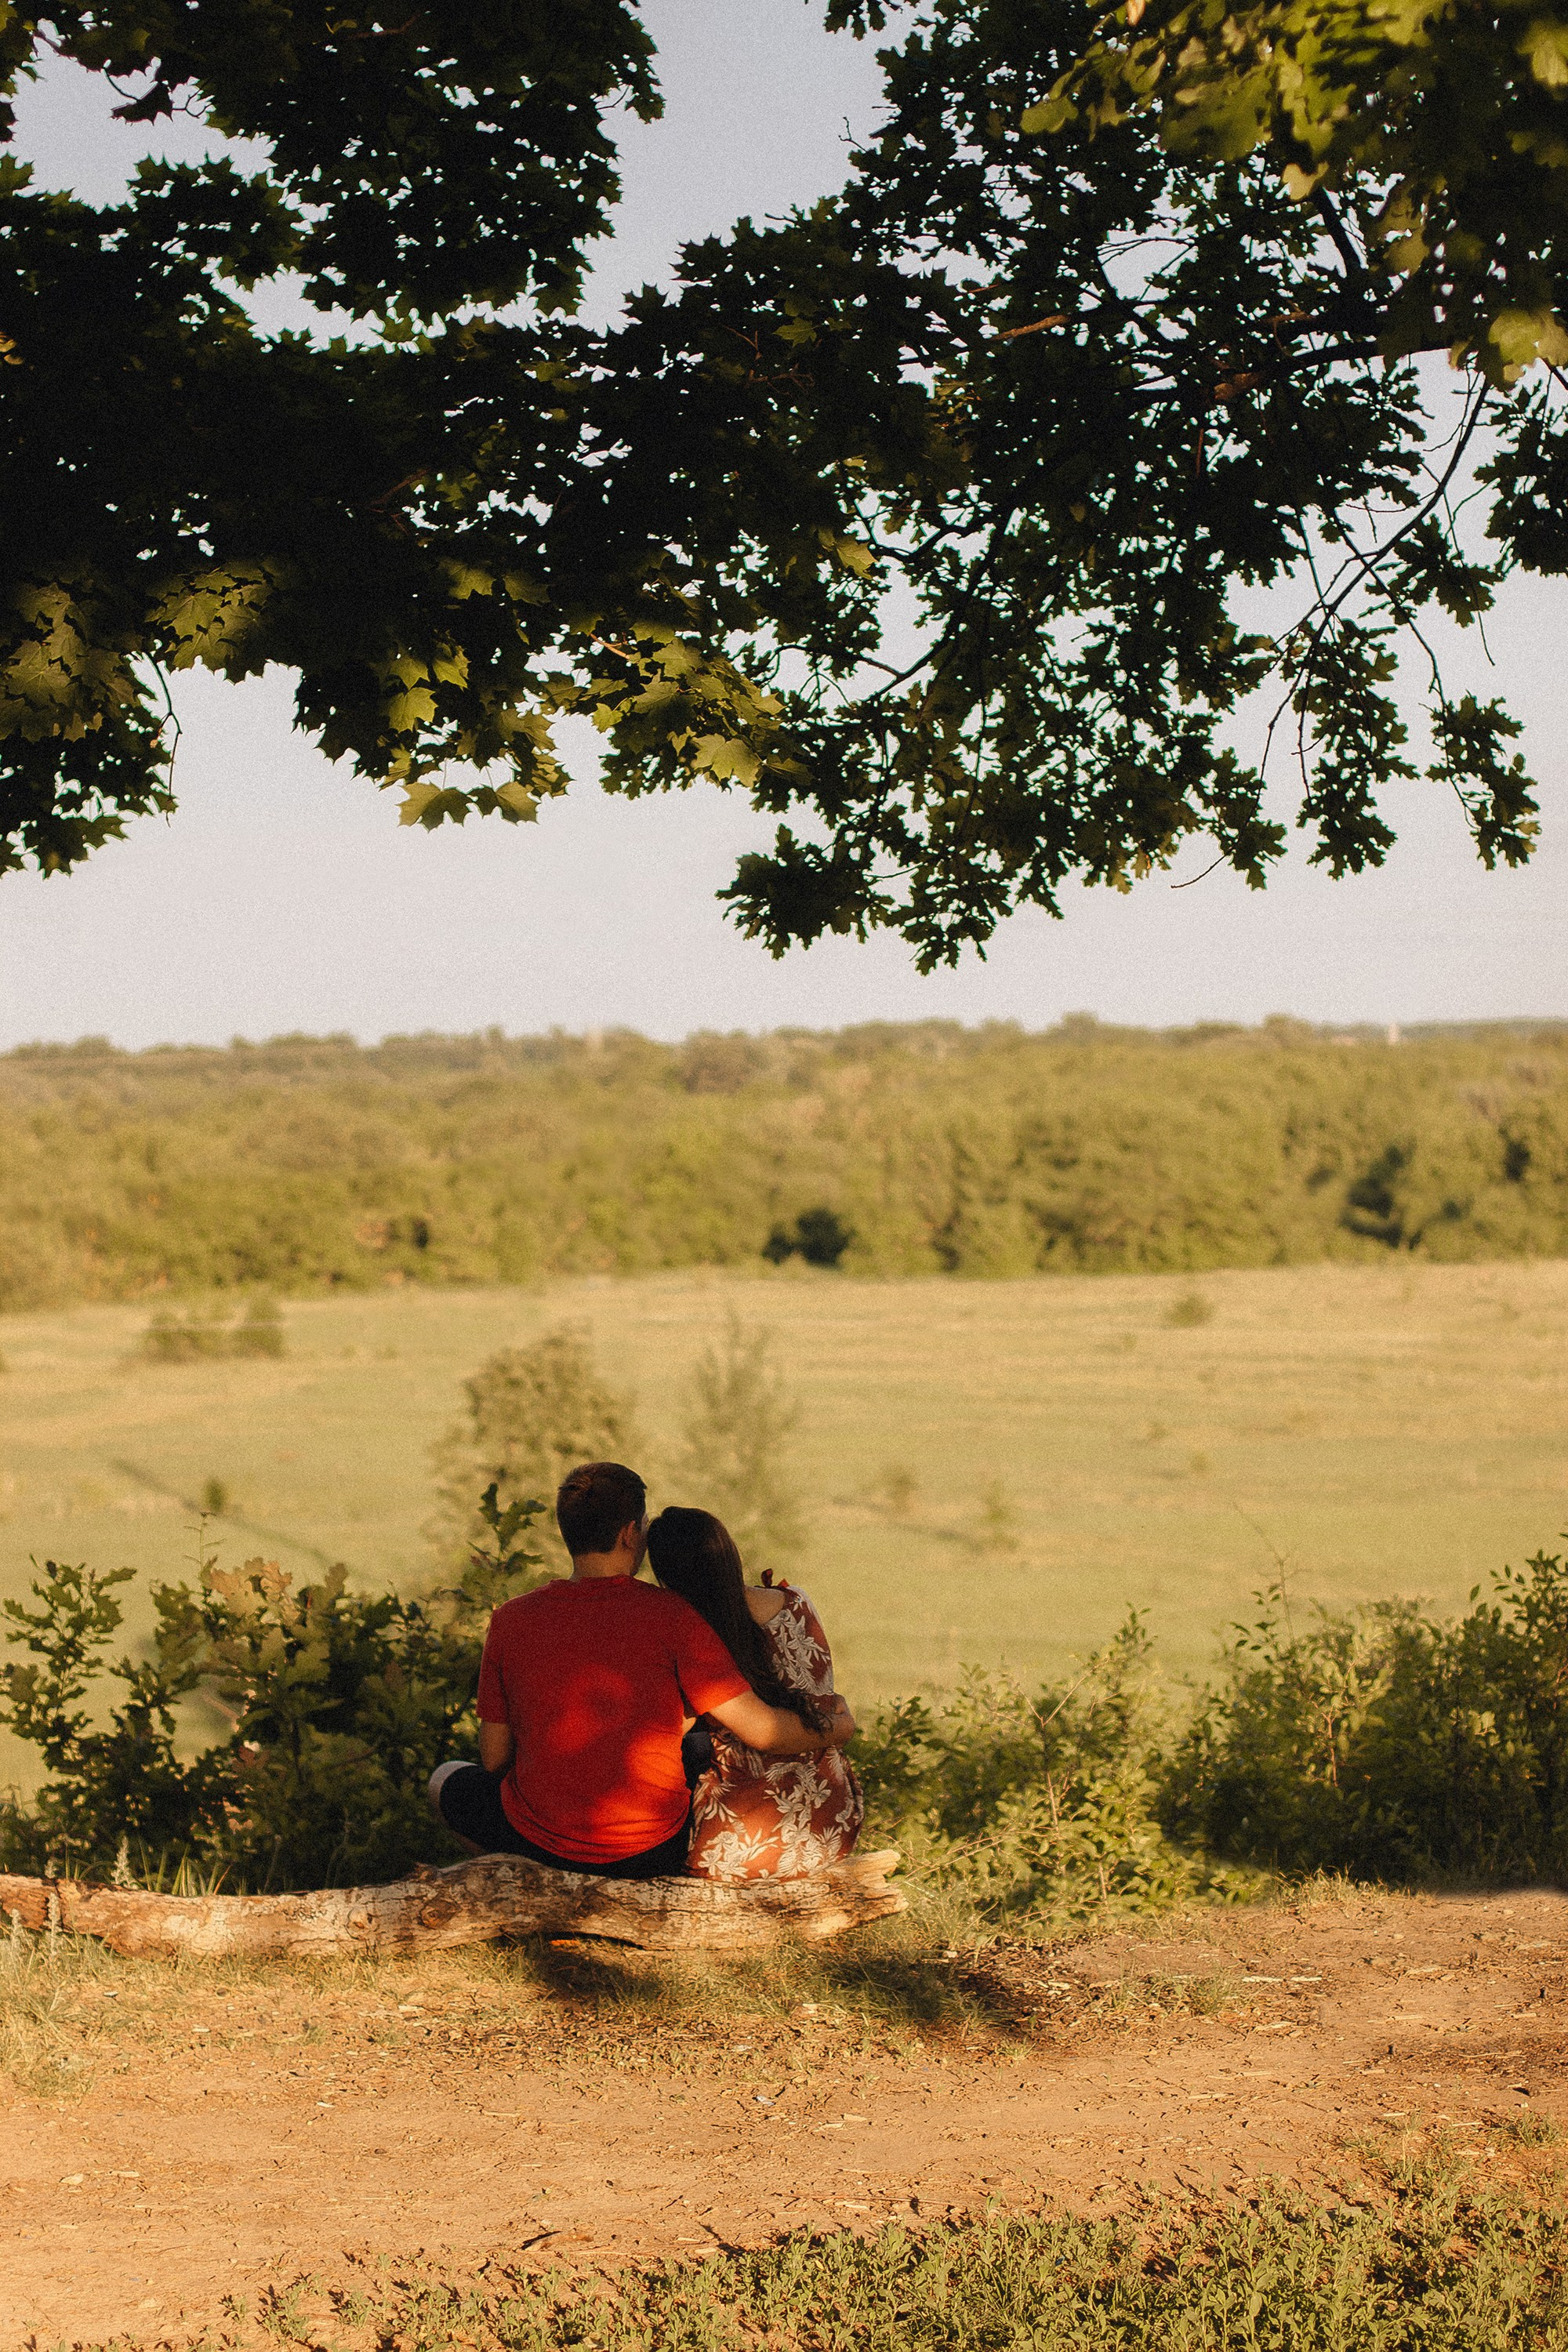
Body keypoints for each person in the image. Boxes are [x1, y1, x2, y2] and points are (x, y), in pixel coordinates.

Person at [429, 1460, 852, 1880]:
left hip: (539, 1840)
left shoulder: (511, 1619)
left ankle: (528, 1874)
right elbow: (765, 1732)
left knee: (445, 1778)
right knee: (702, 1747)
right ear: (631, 1533)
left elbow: (494, 1758)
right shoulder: (675, 1616)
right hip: (651, 1852)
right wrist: (839, 1726)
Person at [645, 1506, 865, 1882]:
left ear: (667, 1575)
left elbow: (675, 1729)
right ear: (729, 1552)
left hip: (736, 1846)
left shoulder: (689, 1632)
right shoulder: (796, 1601)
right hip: (830, 1822)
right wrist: (839, 1720)